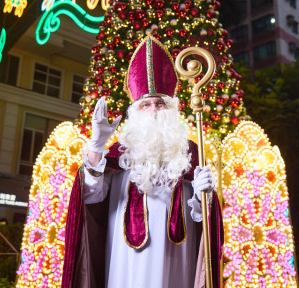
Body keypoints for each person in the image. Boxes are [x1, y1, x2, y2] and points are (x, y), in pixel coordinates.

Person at [61, 36, 223, 288]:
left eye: (160, 103)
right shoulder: (120, 152)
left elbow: (203, 223)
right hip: (126, 264)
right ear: (135, 111)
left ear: (171, 109)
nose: (155, 110)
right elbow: (91, 199)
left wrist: (206, 198)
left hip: (177, 259)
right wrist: (95, 148)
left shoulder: (189, 153)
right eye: (146, 104)